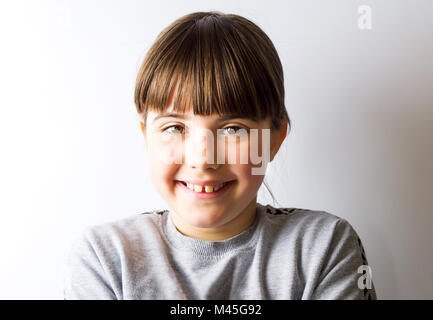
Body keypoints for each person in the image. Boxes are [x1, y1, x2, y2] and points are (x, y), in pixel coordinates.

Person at [64, 11, 377, 300]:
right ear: (147, 136)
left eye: (232, 129)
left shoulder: (322, 247)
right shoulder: (104, 258)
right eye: (174, 127)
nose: (202, 159)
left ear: (273, 140)